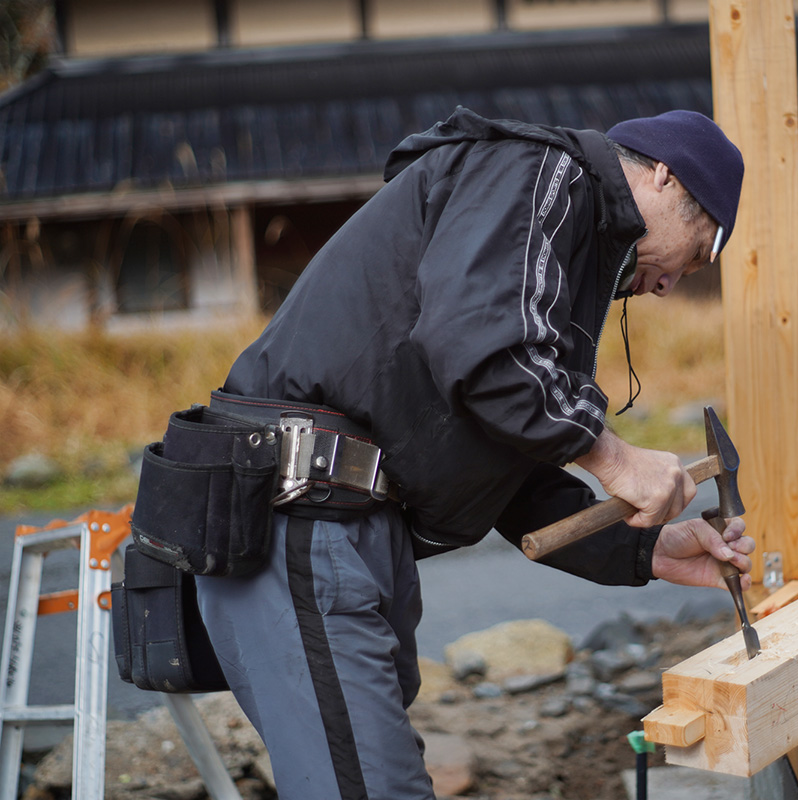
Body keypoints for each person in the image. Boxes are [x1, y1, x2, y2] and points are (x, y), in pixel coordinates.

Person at [194, 106, 754, 799]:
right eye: (697, 256)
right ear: (666, 176)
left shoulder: (561, 261)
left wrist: (646, 549)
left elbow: (509, 454)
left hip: (349, 527)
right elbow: (481, 349)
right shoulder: (543, 173)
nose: (671, 285)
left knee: (366, 775)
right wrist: (614, 456)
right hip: (301, 512)